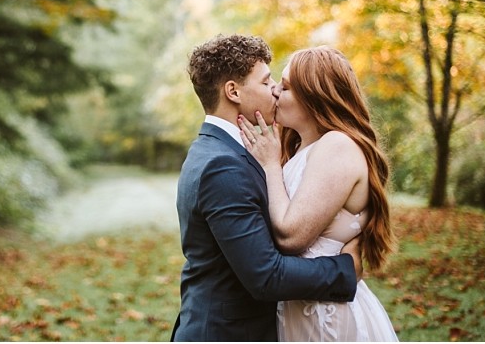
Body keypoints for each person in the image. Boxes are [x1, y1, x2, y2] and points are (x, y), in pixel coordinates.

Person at [171, 34, 361, 342]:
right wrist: (347, 268)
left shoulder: (219, 151)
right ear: (233, 91)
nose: (274, 90)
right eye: (265, 81)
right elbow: (267, 276)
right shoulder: (224, 165)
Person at [237, 45, 398, 341]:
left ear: (315, 97)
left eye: (285, 87)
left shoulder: (337, 145)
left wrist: (270, 164)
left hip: (328, 317)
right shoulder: (302, 148)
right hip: (301, 309)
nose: (274, 92)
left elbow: (291, 236)